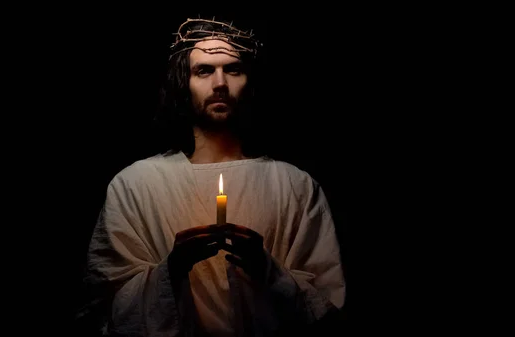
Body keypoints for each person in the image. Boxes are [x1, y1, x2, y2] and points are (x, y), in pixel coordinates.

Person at [75, 17, 346, 337]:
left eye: (233, 69)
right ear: (183, 82)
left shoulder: (294, 185)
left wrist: (268, 270)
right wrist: (171, 270)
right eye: (203, 70)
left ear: (250, 81)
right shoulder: (135, 185)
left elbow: (327, 303)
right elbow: (105, 304)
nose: (220, 83)